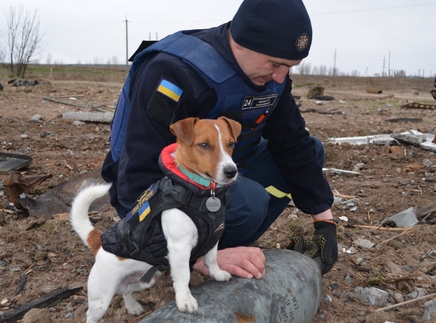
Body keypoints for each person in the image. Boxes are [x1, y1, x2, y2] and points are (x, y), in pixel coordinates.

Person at [101, 0, 338, 280]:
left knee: (313, 151)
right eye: (276, 64)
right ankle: (196, 248)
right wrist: (197, 260)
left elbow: (293, 142)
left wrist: (325, 223)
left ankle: (225, 238)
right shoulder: (174, 72)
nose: (281, 76)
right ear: (241, 43)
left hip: (223, 170)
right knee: (250, 202)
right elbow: (139, 173)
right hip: (154, 190)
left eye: (289, 66)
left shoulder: (272, 77)